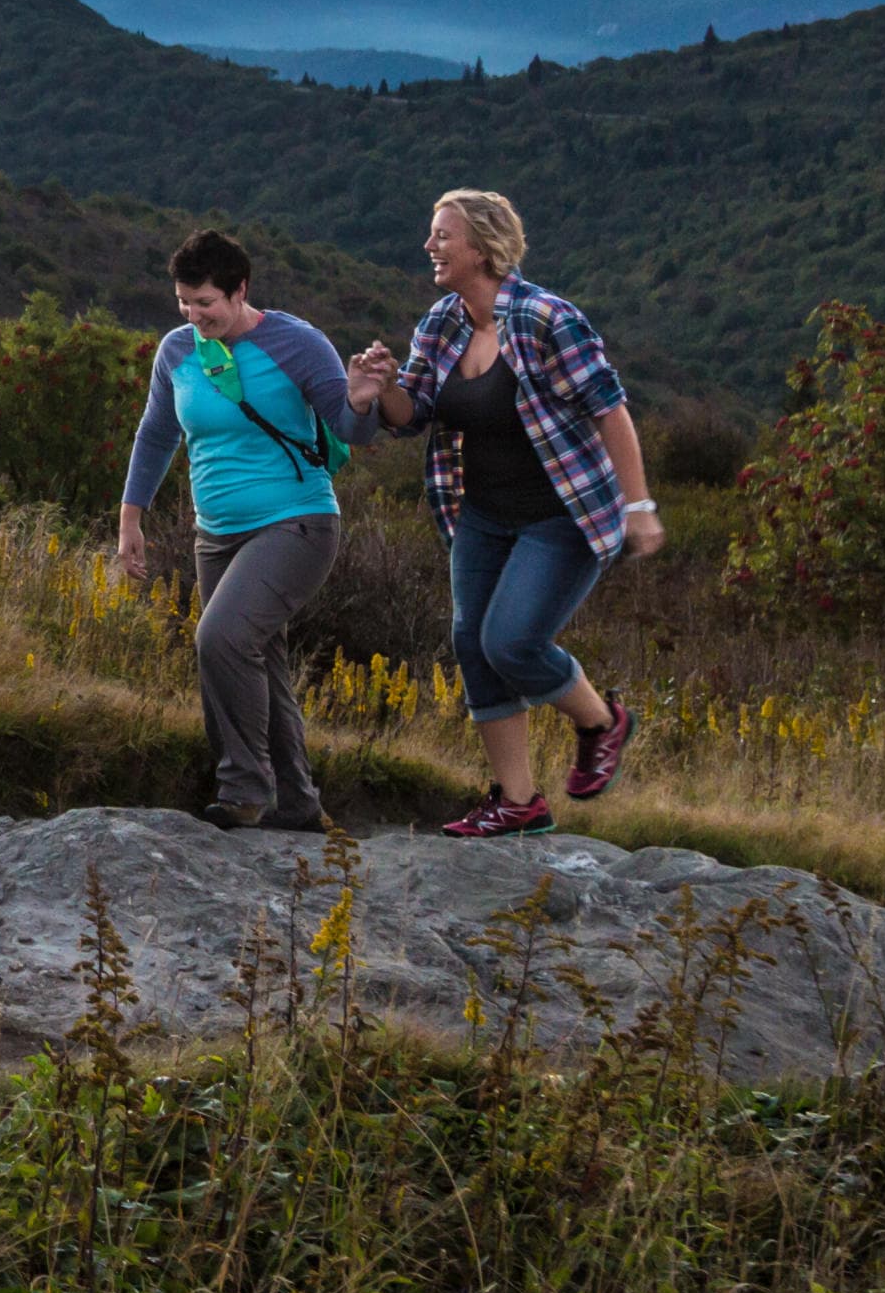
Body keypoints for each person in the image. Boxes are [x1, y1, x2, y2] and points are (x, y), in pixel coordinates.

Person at [344, 188, 665, 838]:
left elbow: (611, 410)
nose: (429, 246)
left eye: (443, 236)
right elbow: (413, 416)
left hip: (563, 515)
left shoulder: (547, 319)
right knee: (473, 644)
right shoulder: (443, 322)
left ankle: (602, 723)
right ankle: (518, 802)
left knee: (511, 642)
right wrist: (381, 390)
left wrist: (639, 507)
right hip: (481, 515)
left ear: (483, 247)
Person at [118, 227, 370, 833]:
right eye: (184, 302)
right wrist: (131, 519)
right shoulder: (176, 352)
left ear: (240, 291)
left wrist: (363, 402)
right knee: (260, 662)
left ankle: (243, 789)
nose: (193, 315)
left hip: (297, 523)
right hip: (216, 535)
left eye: (205, 302)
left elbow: (350, 431)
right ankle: (298, 802)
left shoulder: (297, 343)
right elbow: (156, 434)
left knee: (221, 639)